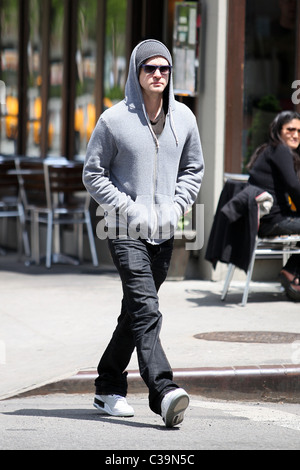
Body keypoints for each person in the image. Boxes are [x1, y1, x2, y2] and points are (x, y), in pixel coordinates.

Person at [83, 39, 204, 427]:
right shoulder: (114, 120)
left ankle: (107, 387)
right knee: (147, 308)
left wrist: (176, 207)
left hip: (165, 230)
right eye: (150, 68)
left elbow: (194, 169)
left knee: (134, 312)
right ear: (136, 73)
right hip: (122, 227)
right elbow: (93, 173)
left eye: (164, 69)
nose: (158, 75)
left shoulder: (184, 118)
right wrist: (131, 208)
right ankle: (164, 390)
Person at [247, 110, 300, 301]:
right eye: (290, 130)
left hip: (266, 220)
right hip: (273, 221)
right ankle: (291, 272)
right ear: (279, 130)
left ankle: (292, 272)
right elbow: (294, 186)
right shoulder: (281, 150)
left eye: (299, 131)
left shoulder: (270, 150)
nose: (295, 135)